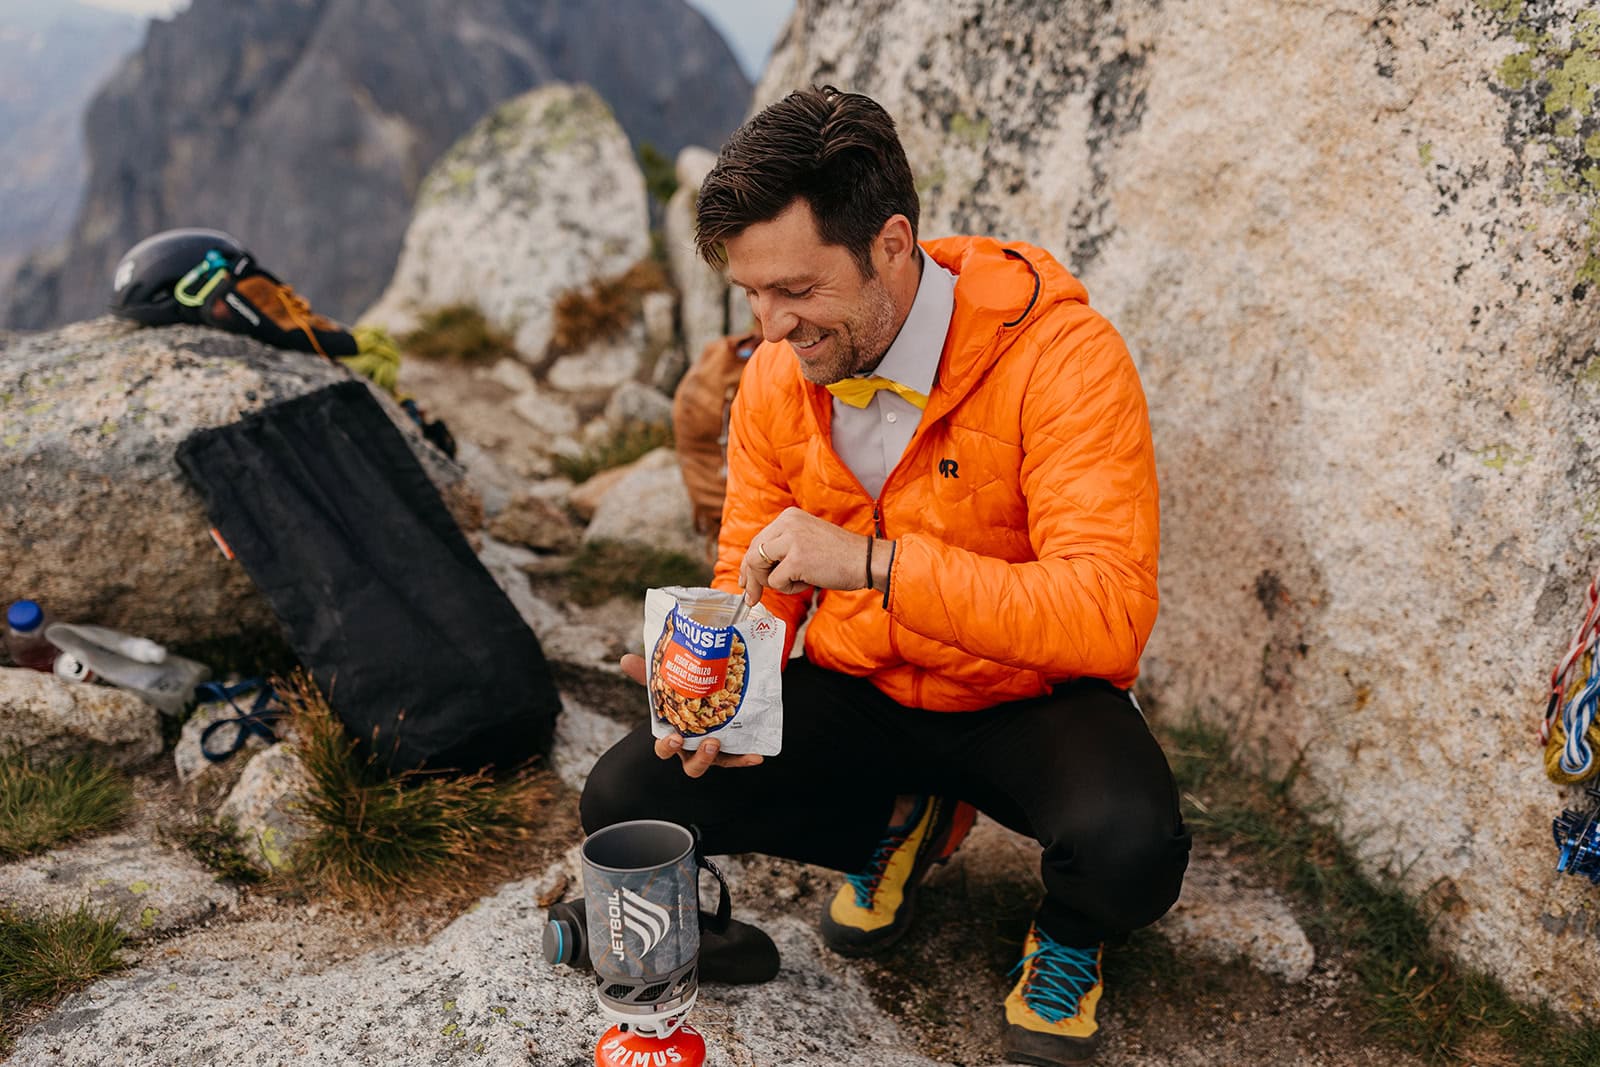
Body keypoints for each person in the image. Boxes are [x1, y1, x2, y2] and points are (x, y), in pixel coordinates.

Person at [581, 85, 1191, 1066]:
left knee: (1130, 849)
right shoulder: (777, 376)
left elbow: (1108, 612)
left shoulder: (1065, 358)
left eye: (797, 290)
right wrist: (719, 692)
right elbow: (752, 570)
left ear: (893, 246)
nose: (771, 326)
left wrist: (873, 563)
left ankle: (1067, 933)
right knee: (623, 798)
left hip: (1016, 695)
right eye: (752, 294)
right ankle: (905, 816)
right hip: (861, 682)